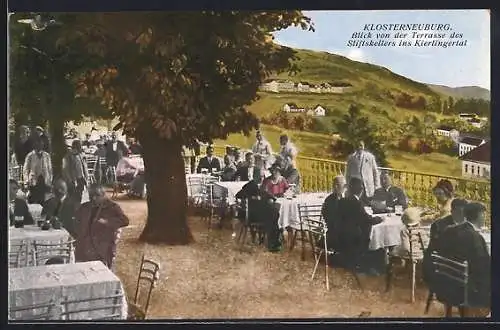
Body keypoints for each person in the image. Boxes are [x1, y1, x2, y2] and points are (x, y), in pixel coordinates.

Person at [434, 203, 490, 314]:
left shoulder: (449, 230)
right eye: (484, 214)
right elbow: (483, 266)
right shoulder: (476, 238)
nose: (485, 217)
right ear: (480, 216)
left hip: (446, 283)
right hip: (466, 289)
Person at [334, 177, 383, 272]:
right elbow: (367, 219)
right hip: (354, 237)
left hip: (341, 235)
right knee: (372, 237)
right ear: (361, 191)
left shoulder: (342, 201)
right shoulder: (357, 203)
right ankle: (370, 264)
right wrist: (380, 219)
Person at [74, 183, 129, 269]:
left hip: (102, 246)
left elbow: (125, 221)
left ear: (103, 195)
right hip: (84, 246)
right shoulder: (85, 207)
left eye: (97, 195)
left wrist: (107, 222)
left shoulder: (112, 207)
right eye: (91, 196)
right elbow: (75, 221)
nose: (94, 198)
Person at [423, 198, 469, 284]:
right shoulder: (439, 225)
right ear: (452, 211)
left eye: (465, 213)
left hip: (458, 263)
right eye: (460, 212)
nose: (463, 216)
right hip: (441, 265)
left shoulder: (467, 225)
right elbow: (438, 248)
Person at [260, 163, 290, 252]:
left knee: (283, 211)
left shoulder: (282, 180)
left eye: (277, 171)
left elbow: (288, 189)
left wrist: (287, 193)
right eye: (273, 171)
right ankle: (274, 242)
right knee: (274, 215)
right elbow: (264, 193)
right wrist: (272, 198)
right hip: (267, 206)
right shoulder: (267, 181)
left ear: (280, 172)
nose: (275, 173)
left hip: (280, 203)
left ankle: (283, 229)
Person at [23, 139, 53, 205]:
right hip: (34, 179)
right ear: (34, 146)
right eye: (38, 145)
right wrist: (26, 181)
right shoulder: (30, 156)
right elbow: (26, 169)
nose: (39, 147)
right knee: (33, 200)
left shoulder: (46, 155)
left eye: (41, 145)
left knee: (43, 199)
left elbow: (50, 168)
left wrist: (50, 179)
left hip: (44, 179)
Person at [321, 175, 347, 249]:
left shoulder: (347, 197)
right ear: (336, 186)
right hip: (335, 231)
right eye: (344, 186)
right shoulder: (329, 200)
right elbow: (330, 218)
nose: (345, 188)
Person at [62, 140, 89, 205]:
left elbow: (84, 166)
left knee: (79, 194)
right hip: (73, 179)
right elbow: (66, 169)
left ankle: (77, 207)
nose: (80, 147)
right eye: (79, 146)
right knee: (72, 195)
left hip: (81, 178)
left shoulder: (81, 155)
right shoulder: (68, 156)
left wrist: (86, 177)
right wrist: (70, 179)